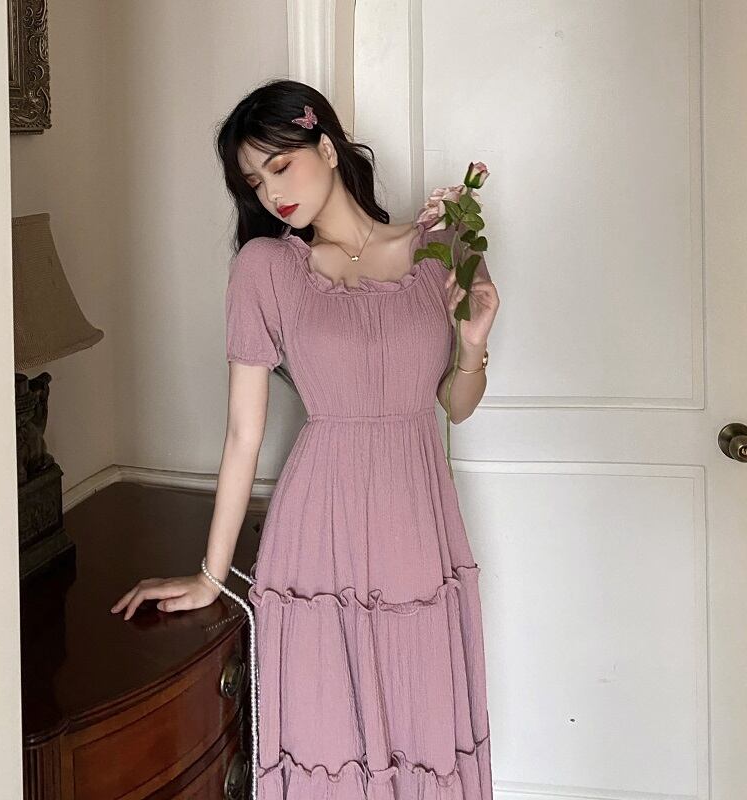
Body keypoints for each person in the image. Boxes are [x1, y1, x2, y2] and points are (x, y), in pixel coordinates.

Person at [111, 78, 500, 799]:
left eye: (279, 166)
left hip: (418, 527)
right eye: (255, 183)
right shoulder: (266, 269)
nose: (272, 194)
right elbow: (243, 433)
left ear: (325, 145)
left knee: (421, 730)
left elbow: (453, 404)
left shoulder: (439, 245)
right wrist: (211, 574)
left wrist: (473, 345)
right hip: (320, 533)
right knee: (332, 745)